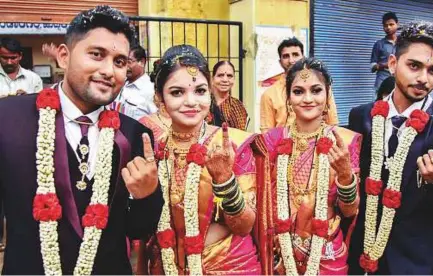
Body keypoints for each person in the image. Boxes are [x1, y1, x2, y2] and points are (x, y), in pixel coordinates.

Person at [0, 6, 162, 274]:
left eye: (120, 62)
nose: (109, 70)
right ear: (64, 57)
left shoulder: (134, 134)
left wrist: (148, 194)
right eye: (96, 55)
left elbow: (138, 229)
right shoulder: (8, 120)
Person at [348, 22, 433, 274]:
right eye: (414, 66)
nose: (423, 78)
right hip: (363, 258)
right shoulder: (360, 117)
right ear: (393, 64)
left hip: (419, 264)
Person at [137, 44, 261, 274]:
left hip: (228, 265)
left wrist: (224, 180)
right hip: (167, 265)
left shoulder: (231, 145)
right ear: (159, 98)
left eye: (200, 91)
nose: (191, 101)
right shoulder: (154, 148)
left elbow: (245, 226)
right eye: (177, 92)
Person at [255, 57, 361, 274]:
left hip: (326, 251)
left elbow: (350, 211)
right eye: (298, 91)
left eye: (316, 90)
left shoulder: (345, 141)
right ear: (288, 97)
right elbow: (261, 202)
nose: (308, 99)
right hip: (280, 252)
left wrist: (344, 174)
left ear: (327, 94)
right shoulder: (271, 141)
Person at [260, 37, 339, 133]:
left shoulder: (321, 88)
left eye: (295, 54)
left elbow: (332, 123)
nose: (291, 60)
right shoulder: (269, 94)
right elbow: (266, 133)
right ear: (280, 62)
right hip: (283, 145)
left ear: (303, 58)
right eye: (285, 56)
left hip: (320, 144)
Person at [111, 45, 157, 120]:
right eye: (122, 61)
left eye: (129, 62)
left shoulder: (150, 90)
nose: (125, 66)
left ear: (142, 62)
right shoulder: (120, 84)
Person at [208, 60, 249, 130]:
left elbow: (240, 135)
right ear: (212, 79)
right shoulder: (203, 102)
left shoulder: (237, 106)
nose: (225, 79)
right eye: (220, 75)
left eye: (229, 76)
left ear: (234, 79)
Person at [370, 12, 398, 93]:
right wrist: (384, 65)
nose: (388, 27)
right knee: (378, 104)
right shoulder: (379, 44)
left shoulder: (403, 43)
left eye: (391, 24)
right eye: (385, 25)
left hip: (398, 82)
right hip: (382, 82)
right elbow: (372, 67)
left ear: (397, 24)